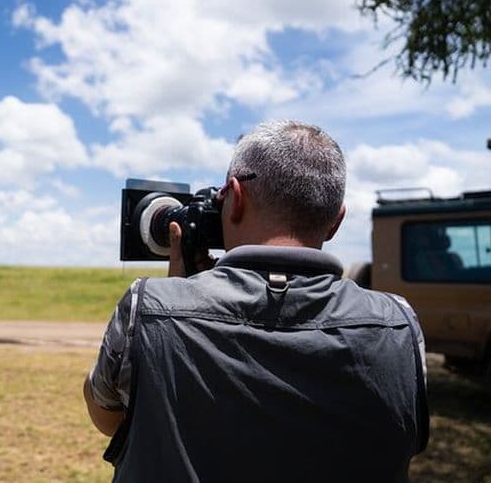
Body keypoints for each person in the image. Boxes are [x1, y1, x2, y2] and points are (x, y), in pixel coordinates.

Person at [84, 121, 429, 482]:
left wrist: (177, 301)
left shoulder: (147, 306)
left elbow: (107, 418)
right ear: (336, 221)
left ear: (235, 198)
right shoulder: (400, 324)